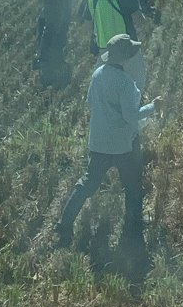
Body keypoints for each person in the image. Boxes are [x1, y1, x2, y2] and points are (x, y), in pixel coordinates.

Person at [54, 34, 162, 249]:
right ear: (126, 57)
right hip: (124, 145)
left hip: (99, 143)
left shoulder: (97, 74)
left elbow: (90, 103)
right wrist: (153, 107)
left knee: (87, 184)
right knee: (132, 186)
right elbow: (131, 116)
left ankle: (64, 224)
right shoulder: (126, 82)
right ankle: (132, 228)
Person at [88, 0, 149, 91]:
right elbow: (139, 22)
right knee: (136, 84)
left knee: (107, 89)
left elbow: (89, 25)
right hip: (127, 48)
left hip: (105, 51)